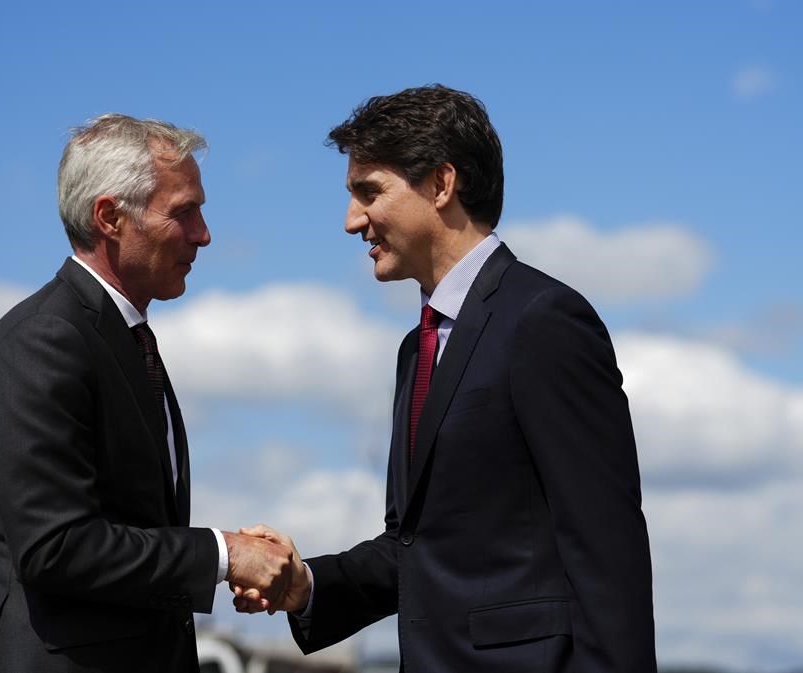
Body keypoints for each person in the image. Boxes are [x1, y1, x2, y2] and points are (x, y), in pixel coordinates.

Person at [236, 86, 657, 672]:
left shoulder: (544, 321)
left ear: (441, 184)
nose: (352, 220)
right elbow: (413, 547)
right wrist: (306, 585)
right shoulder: (418, 347)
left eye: (369, 192)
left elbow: (607, 548)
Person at [0, 114, 293, 673]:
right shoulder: (45, 341)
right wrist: (224, 554)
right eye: (184, 212)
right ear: (111, 217)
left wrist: (226, 557)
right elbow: (55, 547)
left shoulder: (120, 338)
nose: (204, 234)